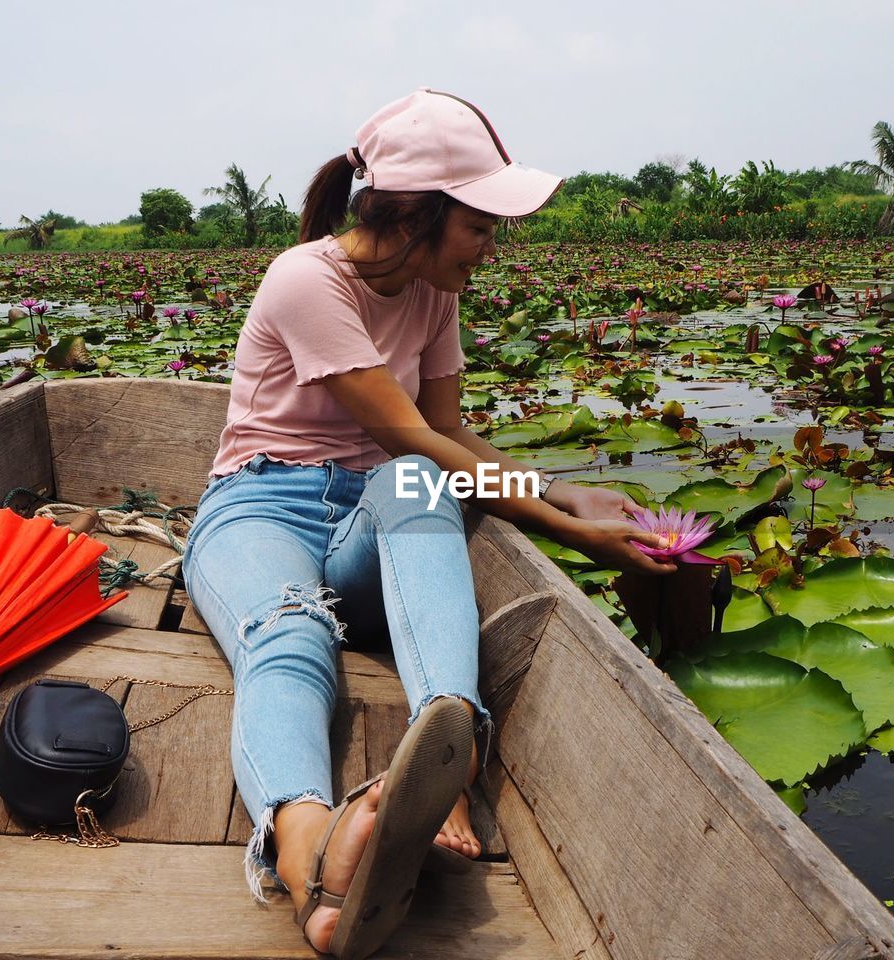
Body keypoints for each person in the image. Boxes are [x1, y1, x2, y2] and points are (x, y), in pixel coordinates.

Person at [182, 88, 676, 959]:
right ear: (417, 214)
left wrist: (563, 492)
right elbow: (403, 426)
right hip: (259, 506)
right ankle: (310, 858)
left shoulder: (432, 289)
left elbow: (440, 439)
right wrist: (571, 535)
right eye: (481, 228)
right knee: (289, 633)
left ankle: (445, 752)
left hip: (377, 520)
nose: (491, 251)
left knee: (415, 479)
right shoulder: (306, 277)